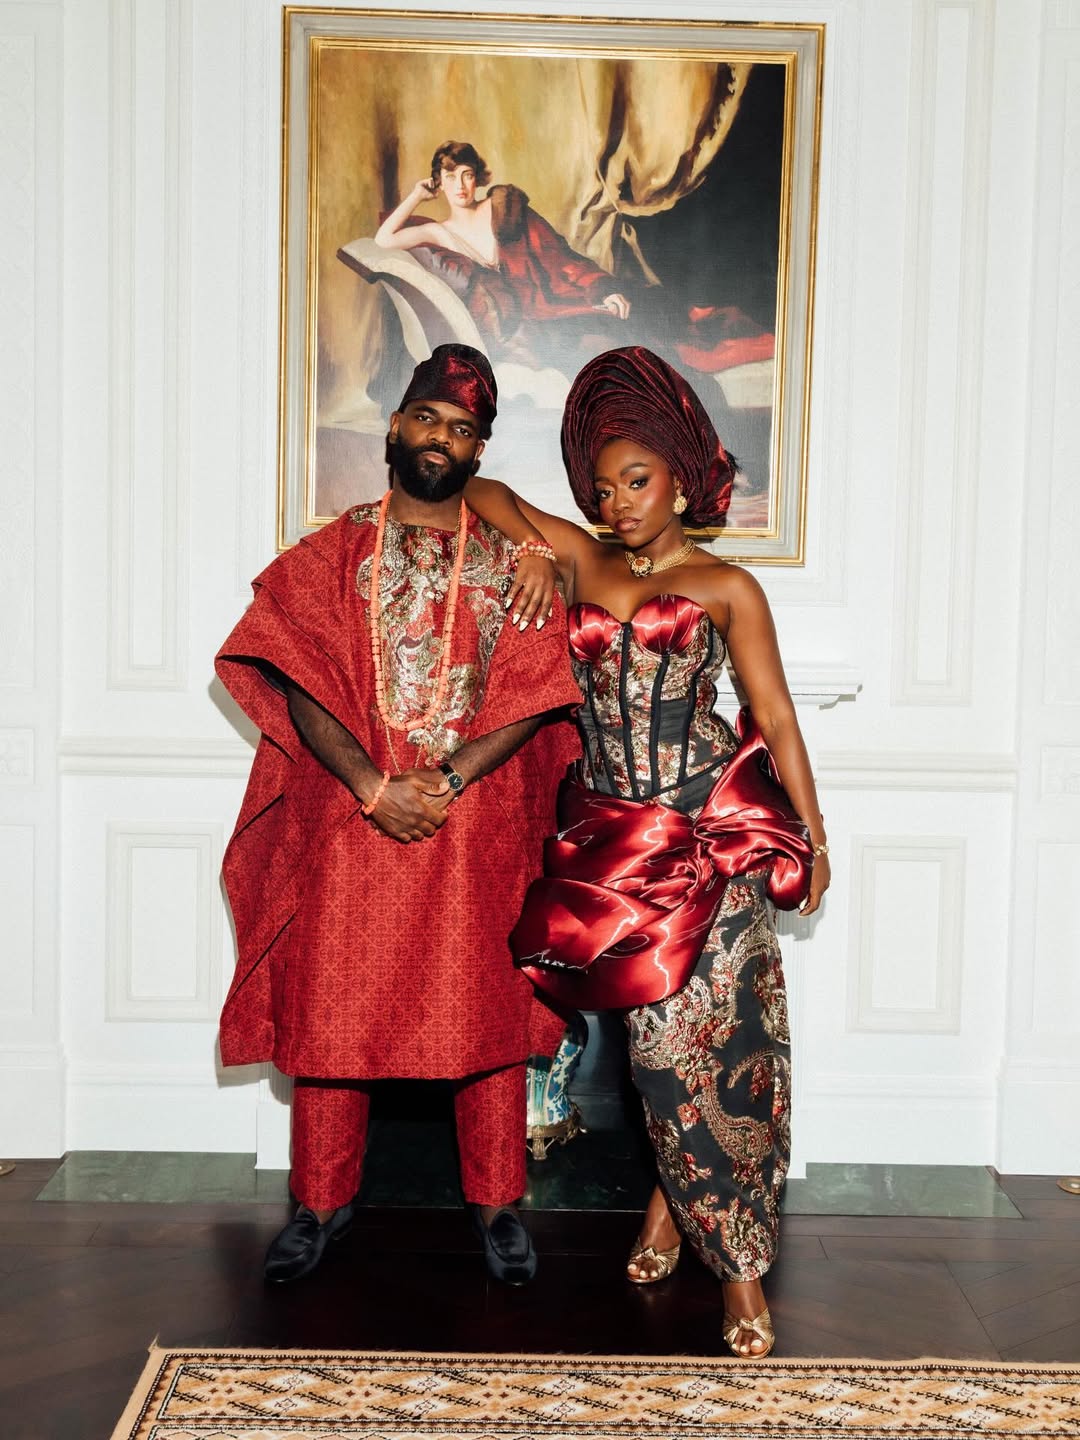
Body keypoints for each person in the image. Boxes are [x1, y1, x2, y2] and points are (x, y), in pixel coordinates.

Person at [463, 345, 830, 1356]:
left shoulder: (727, 586)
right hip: (619, 852)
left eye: (640, 480)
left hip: (710, 838)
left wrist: (814, 828)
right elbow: (486, 489)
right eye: (605, 484)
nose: (619, 501)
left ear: (679, 473)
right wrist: (542, 552)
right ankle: (676, 1207)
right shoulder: (584, 559)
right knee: (646, 1055)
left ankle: (742, 1272)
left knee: (714, 1050)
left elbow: (777, 718)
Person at [215, 344, 580, 1285]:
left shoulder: (512, 570)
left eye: (462, 430)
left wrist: (446, 780)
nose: (440, 439)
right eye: (427, 418)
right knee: (333, 1013)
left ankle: (500, 1207)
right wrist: (375, 786)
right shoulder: (330, 553)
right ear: (393, 425)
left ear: (479, 452)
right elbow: (297, 681)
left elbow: (537, 694)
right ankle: (319, 1207)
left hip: (472, 828)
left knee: (487, 1017)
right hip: (352, 821)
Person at [374, 140, 632, 368]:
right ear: (438, 182)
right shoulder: (437, 231)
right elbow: (383, 240)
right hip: (510, 326)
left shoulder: (504, 210)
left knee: (614, 343)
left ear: (478, 178)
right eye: (450, 177)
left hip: (547, 304)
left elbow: (559, 255)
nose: (460, 186)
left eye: (467, 175)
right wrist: (417, 196)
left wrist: (604, 289)